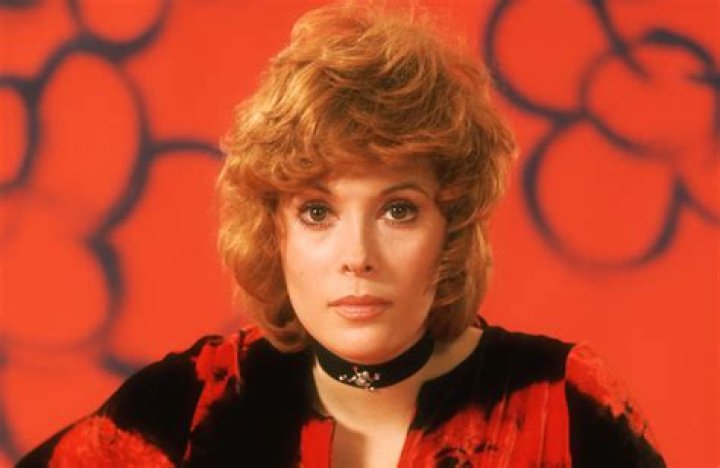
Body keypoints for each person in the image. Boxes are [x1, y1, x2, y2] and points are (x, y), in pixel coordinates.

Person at [18, 3, 665, 467]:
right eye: (317, 213)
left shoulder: (562, 403)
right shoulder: (192, 403)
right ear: (274, 229)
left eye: (399, 211)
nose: (357, 256)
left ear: (452, 227)